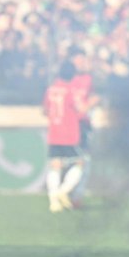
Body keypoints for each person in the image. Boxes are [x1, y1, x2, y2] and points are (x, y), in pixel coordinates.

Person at [42, 61, 91, 212]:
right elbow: (80, 109)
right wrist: (92, 102)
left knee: (55, 166)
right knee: (80, 163)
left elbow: (45, 111)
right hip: (69, 134)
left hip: (54, 133)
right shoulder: (71, 90)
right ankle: (62, 191)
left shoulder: (50, 90)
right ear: (72, 75)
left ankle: (53, 202)